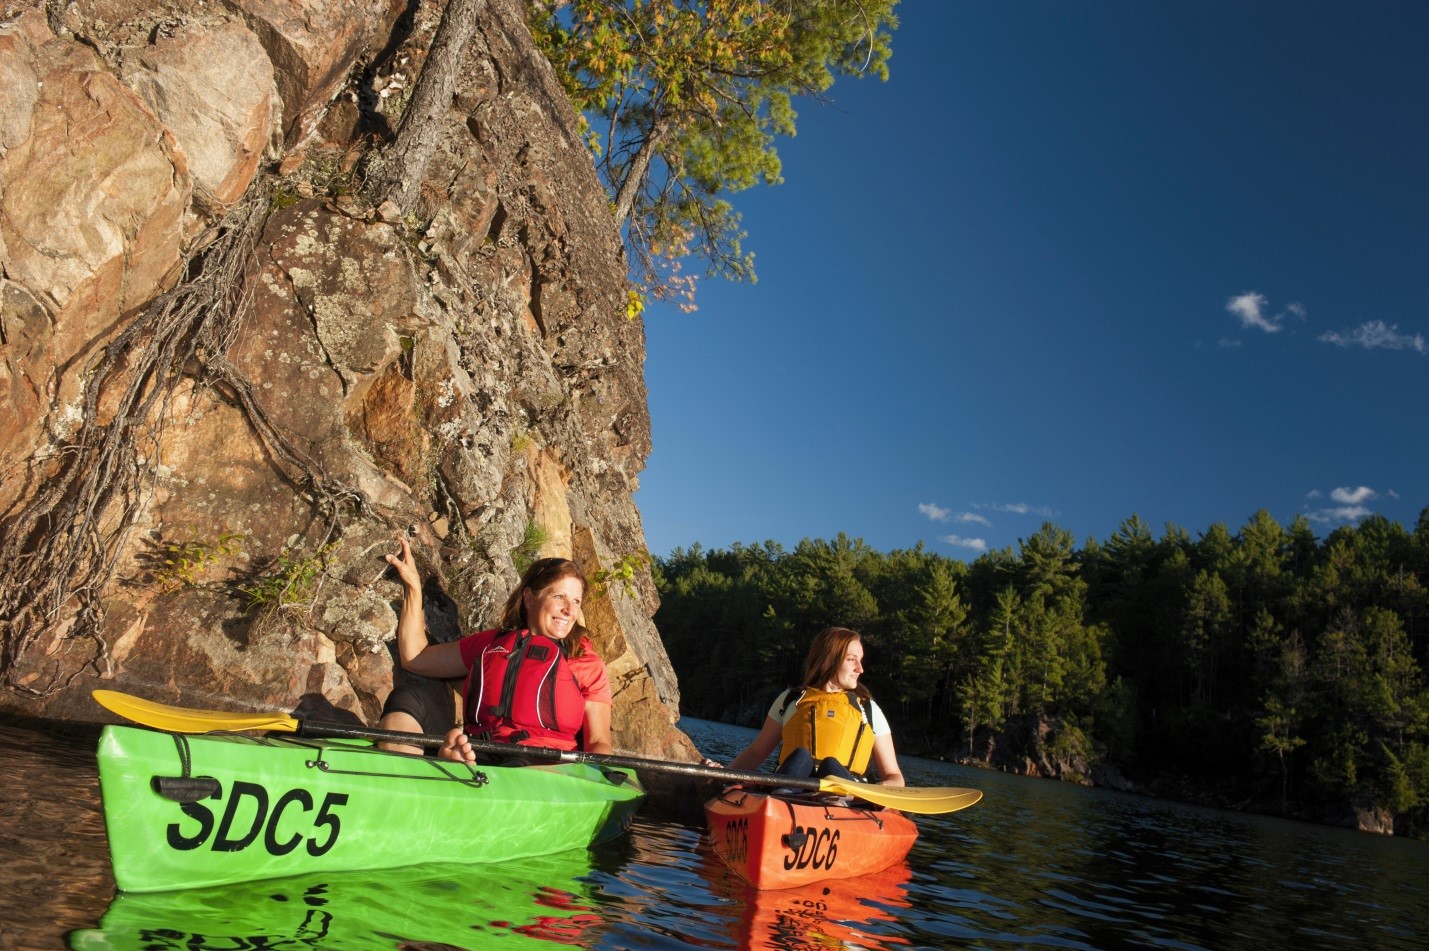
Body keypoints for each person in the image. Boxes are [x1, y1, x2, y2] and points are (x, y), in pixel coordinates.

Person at [377, 535, 612, 763]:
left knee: (517, 762)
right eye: (560, 597)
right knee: (408, 698)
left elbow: (599, 743)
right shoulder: (492, 645)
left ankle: (455, 774)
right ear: (529, 599)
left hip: (539, 764)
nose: (570, 610)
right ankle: (403, 778)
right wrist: (413, 588)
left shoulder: (586, 662)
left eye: (576, 601)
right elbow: (416, 659)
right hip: (478, 750)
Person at [723, 626, 904, 786]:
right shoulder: (791, 700)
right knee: (800, 757)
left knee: (831, 766)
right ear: (827, 661)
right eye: (851, 660)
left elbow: (894, 776)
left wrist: (883, 788)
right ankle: (784, 795)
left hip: (847, 794)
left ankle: (834, 800)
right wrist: (722, 774)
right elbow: (756, 753)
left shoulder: (868, 709)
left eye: (860, 660)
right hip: (793, 785)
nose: (860, 669)